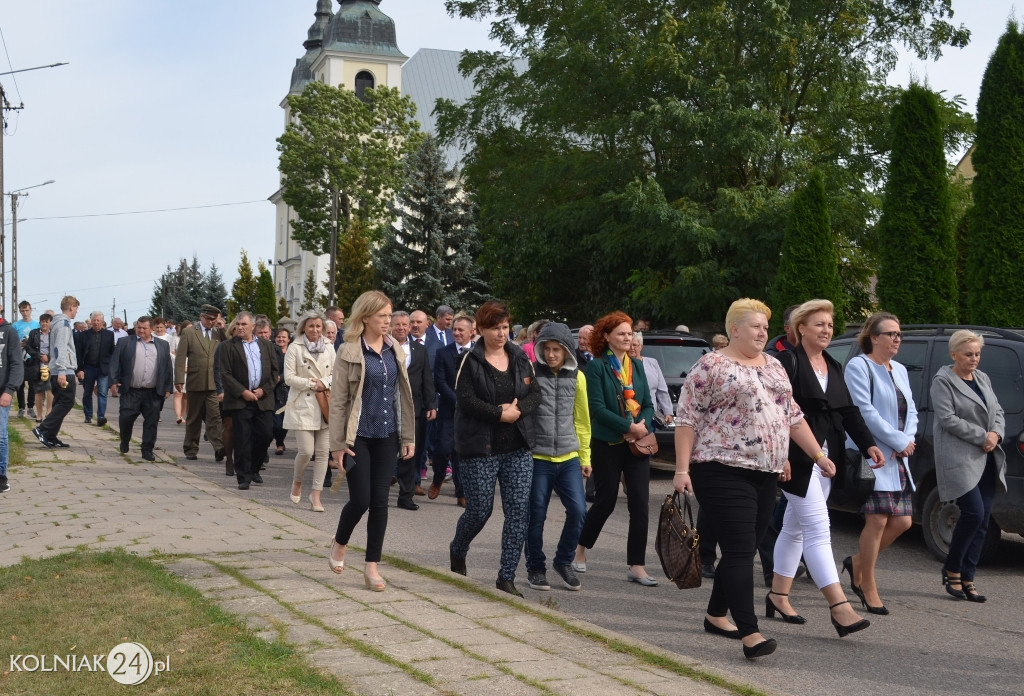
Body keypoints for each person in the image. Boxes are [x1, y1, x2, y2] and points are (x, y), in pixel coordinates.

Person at [673, 298, 835, 660]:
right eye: (755, 326)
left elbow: (792, 416)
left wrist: (818, 455)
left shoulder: (775, 366)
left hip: (766, 472)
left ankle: (716, 615)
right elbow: (686, 419)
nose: (764, 332)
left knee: (747, 543)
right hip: (720, 468)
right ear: (734, 329)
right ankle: (750, 633)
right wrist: (681, 470)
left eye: (765, 326)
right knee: (740, 550)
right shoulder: (710, 366)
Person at [771, 300, 879, 636]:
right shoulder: (787, 362)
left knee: (795, 529)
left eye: (830, 326)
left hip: (828, 459)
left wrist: (868, 443)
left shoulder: (832, 363)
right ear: (801, 328)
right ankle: (839, 606)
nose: (826, 331)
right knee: (819, 528)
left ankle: (777, 595)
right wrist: (781, 456)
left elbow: (848, 411)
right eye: (819, 324)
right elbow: (776, 416)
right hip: (798, 459)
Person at [449, 300, 540, 597]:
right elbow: (465, 400)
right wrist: (498, 413)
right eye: (495, 328)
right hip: (481, 448)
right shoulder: (471, 360)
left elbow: (535, 394)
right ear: (481, 329)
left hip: (517, 447)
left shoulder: (519, 356)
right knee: (480, 511)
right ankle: (458, 548)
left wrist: (517, 411)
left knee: (518, 512)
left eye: (505, 327)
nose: (501, 334)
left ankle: (506, 577)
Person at [328, 291, 415, 592]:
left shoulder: (396, 351)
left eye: (390, 316)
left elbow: (403, 398)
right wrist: (337, 443)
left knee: (380, 503)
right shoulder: (349, 351)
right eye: (382, 316)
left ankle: (371, 567)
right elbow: (338, 400)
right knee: (361, 499)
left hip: (387, 436)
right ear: (365, 317)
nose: (388, 322)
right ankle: (340, 542)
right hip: (358, 437)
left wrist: (408, 437)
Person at [842, 312, 918, 616]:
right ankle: (866, 585)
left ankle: (857, 563)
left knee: (903, 522)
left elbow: (911, 409)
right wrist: (898, 441)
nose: (897, 339)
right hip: (874, 454)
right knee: (877, 522)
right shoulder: (859, 366)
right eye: (891, 334)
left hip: (898, 456)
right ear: (874, 337)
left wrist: (907, 439)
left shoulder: (899, 368)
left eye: (899, 334)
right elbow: (863, 412)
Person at [573, 312, 658, 587]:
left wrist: (642, 424)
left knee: (640, 505)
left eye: (630, 333)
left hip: (637, 446)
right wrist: (627, 426)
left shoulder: (636, 365)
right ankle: (580, 548)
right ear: (606, 336)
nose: (628, 337)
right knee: (605, 500)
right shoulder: (597, 367)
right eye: (622, 333)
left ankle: (637, 565)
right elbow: (596, 409)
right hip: (608, 442)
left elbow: (647, 402)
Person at [930, 330, 1007, 603]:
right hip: (959, 457)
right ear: (954, 355)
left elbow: (997, 410)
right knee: (973, 513)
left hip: (986, 456)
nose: (974, 359)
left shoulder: (982, 378)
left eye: (977, 354)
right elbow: (948, 419)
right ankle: (952, 567)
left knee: (984, 519)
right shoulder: (943, 381)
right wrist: (982, 436)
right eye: (968, 354)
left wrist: (996, 434)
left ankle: (967, 576)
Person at [525, 322, 591, 592]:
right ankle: (535, 568)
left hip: (568, 457)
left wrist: (585, 457)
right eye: (547, 349)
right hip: (538, 458)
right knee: (536, 515)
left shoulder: (579, 377)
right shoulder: (531, 374)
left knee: (578, 511)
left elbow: (583, 420)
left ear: (567, 352)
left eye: (557, 349)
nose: (551, 354)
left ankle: (563, 561)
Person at [219, 312, 278, 490]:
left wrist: (263, 390)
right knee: (242, 438)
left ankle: (254, 468)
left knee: (266, 434)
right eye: (237, 324)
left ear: (253, 326)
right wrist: (243, 391)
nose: (240, 327)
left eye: (244, 324)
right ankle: (243, 476)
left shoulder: (266, 346)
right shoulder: (227, 346)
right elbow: (225, 374)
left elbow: (275, 373)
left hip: (263, 399)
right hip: (240, 400)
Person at [284, 315, 334, 512]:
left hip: (325, 403)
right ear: (304, 327)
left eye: (318, 326)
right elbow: (288, 377)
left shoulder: (329, 346)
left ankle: (316, 495)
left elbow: (337, 371)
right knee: (306, 451)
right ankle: (297, 481)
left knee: (323, 453)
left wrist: (326, 383)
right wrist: (312, 383)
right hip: (303, 403)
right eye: (311, 326)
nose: (315, 330)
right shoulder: (294, 347)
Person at [109, 316, 174, 461]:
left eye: (145, 328)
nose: (141, 330)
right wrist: (113, 381)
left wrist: (168, 387)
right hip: (131, 390)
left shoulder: (162, 345)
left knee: (151, 422)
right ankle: (125, 440)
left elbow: (167, 367)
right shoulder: (125, 342)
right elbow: (114, 362)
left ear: (151, 329)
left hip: (153, 392)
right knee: (125, 418)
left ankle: (147, 450)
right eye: (139, 327)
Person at [390, 310, 437, 506]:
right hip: (388, 408)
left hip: (414, 409)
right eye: (397, 324)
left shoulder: (419, 350)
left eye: (404, 324)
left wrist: (431, 404)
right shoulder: (383, 348)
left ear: (409, 327)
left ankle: (405, 496)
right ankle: (377, 492)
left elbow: (427, 378)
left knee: (410, 453)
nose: (401, 328)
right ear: (390, 326)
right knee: (386, 452)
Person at [428, 313, 473, 505]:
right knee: (443, 449)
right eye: (454, 329)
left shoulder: (478, 353)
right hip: (449, 409)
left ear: (471, 332)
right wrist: (457, 399)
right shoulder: (443, 352)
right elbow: (440, 381)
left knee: (462, 452)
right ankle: (438, 479)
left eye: (461, 330)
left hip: (471, 412)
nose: (456, 333)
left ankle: (461, 491)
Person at [174, 305, 227, 461]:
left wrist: (223, 329)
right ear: (201, 316)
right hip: (195, 380)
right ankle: (190, 448)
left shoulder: (219, 333)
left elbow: (230, 345)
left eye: (213, 319)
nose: (210, 322)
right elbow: (180, 357)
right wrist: (178, 379)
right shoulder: (189, 332)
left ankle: (219, 447)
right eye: (208, 319)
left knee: (215, 417)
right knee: (194, 417)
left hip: (214, 383)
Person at [33, 296, 80, 449]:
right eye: (76, 308)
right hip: (63, 370)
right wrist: (62, 371)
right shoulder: (64, 324)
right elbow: (60, 347)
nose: (76, 312)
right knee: (67, 402)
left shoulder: (56, 323)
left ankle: (50, 436)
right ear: (71, 307)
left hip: (57, 370)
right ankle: (43, 429)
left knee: (60, 403)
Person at [74, 311, 116, 426]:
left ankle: (101, 417)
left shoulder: (109, 334)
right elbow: (79, 354)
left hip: (103, 369)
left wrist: (112, 369)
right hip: (89, 368)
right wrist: (79, 369)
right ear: (91, 322)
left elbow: (112, 352)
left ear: (102, 322)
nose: (96, 322)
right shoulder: (83, 335)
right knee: (87, 392)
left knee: (102, 393)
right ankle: (88, 415)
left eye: (98, 320)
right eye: (94, 320)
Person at [0, 307, 25, 492]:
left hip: (2, 393)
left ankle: (1, 475)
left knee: (0, 436)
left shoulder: (9, 332)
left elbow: (16, 363)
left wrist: (9, 390)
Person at [628, 331, 672, 424]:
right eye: (629, 345)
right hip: (629, 415)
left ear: (641, 346)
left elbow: (662, 390)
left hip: (650, 414)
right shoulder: (622, 364)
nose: (632, 348)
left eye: (635, 345)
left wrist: (668, 411)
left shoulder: (652, 363)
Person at [12, 300, 38, 419]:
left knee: (32, 384)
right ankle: (21, 407)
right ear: (20, 311)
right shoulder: (16, 325)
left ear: (31, 310)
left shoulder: (36, 324)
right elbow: (11, 341)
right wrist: (19, 344)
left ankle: (31, 407)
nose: (25, 312)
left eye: (27, 310)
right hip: (19, 358)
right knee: (20, 384)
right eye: (22, 310)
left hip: (32, 358)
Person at [25, 314, 53, 422]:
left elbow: (57, 348)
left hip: (50, 364)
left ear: (50, 322)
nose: (44, 324)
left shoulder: (54, 334)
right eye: (42, 321)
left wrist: (48, 357)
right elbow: (28, 347)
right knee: (38, 390)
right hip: (37, 365)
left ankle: (49, 412)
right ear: (39, 322)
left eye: (46, 321)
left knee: (50, 389)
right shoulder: (34, 333)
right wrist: (39, 356)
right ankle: (39, 415)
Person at [273, 327, 292, 456]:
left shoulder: (292, 352)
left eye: (283, 337)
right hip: (275, 392)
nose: (281, 339)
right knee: (276, 422)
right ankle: (279, 443)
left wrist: (282, 377)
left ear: (288, 339)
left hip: (289, 392)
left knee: (285, 421)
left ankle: (281, 441)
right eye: (279, 337)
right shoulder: (272, 351)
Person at [170, 319, 190, 425]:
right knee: (178, 393)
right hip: (178, 368)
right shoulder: (176, 338)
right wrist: (180, 365)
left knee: (186, 395)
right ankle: (178, 416)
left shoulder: (195, 339)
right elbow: (172, 352)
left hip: (190, 369)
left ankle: (182, 416)